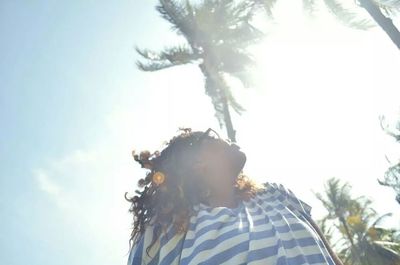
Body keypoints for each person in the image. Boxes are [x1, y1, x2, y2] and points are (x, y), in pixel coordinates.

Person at [125, 128, 343, 265]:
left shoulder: (276, 194)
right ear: (195, 162)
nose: (225, 139)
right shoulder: (163, 228)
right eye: (211, 137)